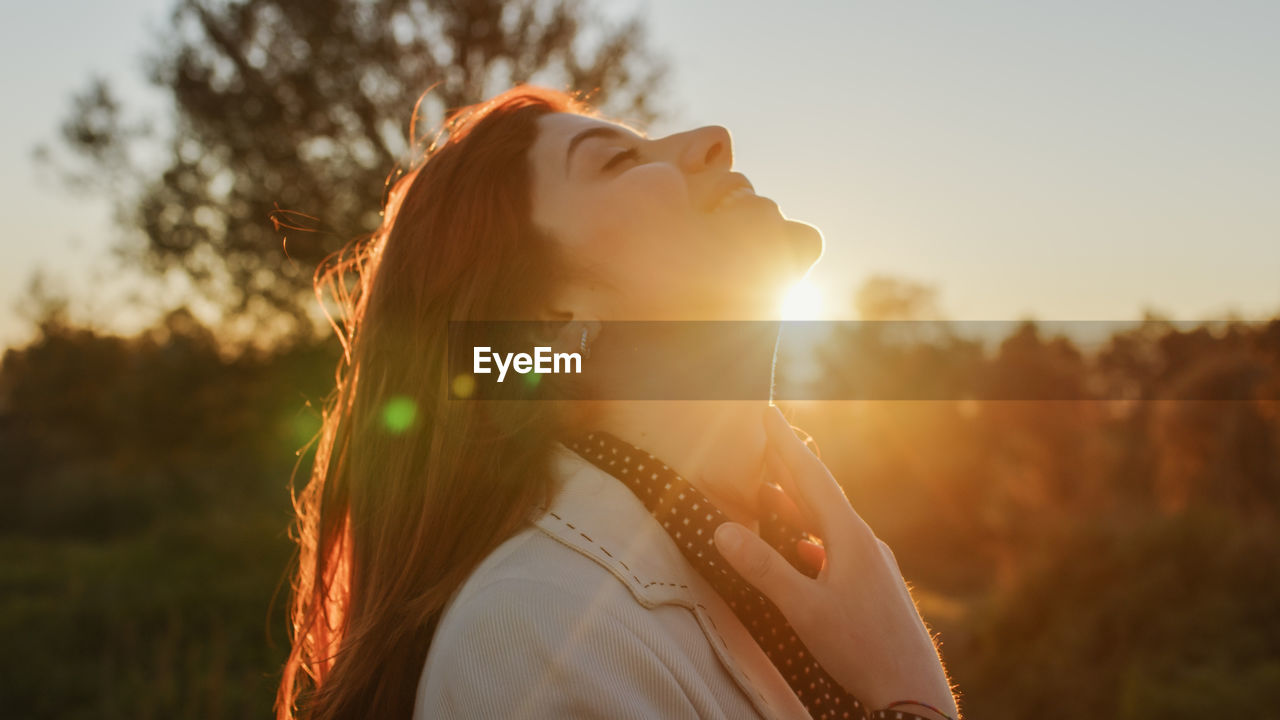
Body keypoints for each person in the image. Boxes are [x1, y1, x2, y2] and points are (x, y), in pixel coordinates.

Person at [276, 86, 961, 720]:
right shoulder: (534, 639)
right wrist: (910, 694)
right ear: (552, 317)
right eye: (618, 160)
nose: (713, 139)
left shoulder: (766, 558)